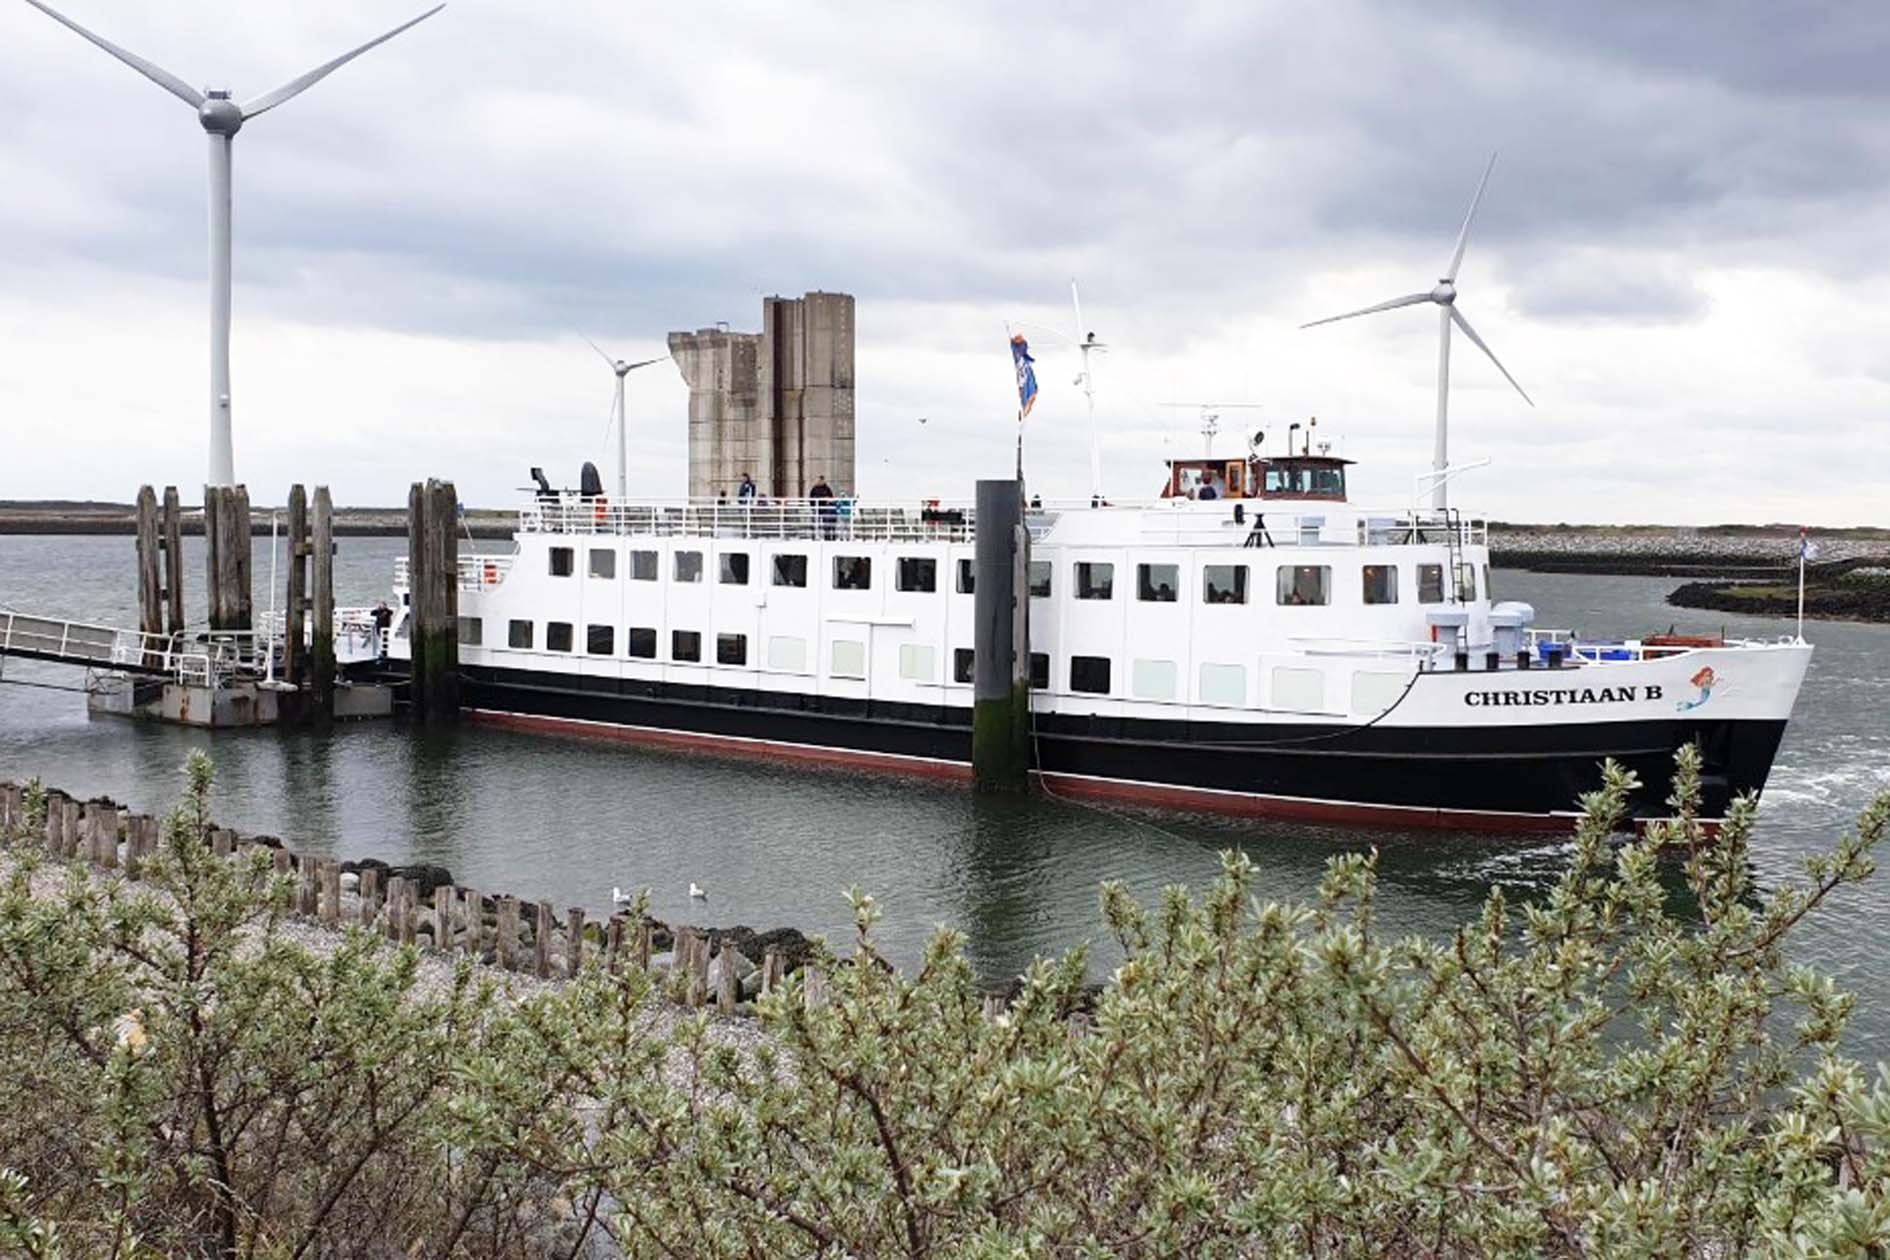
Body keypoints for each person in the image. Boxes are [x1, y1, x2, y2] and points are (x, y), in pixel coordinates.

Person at [808, 475, 835, 539]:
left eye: (821, 480)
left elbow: (831, 498)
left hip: (825, 508)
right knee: (815, 522)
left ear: (823, 480)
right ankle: (814, 536)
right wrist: (812, 507)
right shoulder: (814, 488)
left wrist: (828, 501)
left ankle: (827, 537)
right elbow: (811, 498)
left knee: (826, 522)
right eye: (819, 480)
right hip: (816, 507)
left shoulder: (827, 488)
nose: (820, 481)